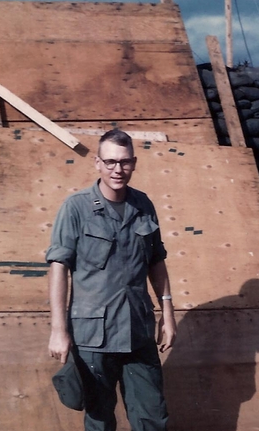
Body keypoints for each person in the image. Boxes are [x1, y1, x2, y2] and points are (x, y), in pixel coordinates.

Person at [46, 129, 177, 431]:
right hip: (94, 335)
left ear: (134, 162)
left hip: (138, 331)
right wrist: (58, 329)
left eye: (125, 162)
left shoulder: (143, 205)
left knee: (152, 417)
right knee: (100, 418)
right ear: (97, 163)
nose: (118, 170)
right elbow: (58, 267)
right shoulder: (75, 208)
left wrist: (168, 315)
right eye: (110, 162)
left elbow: (156, 262)